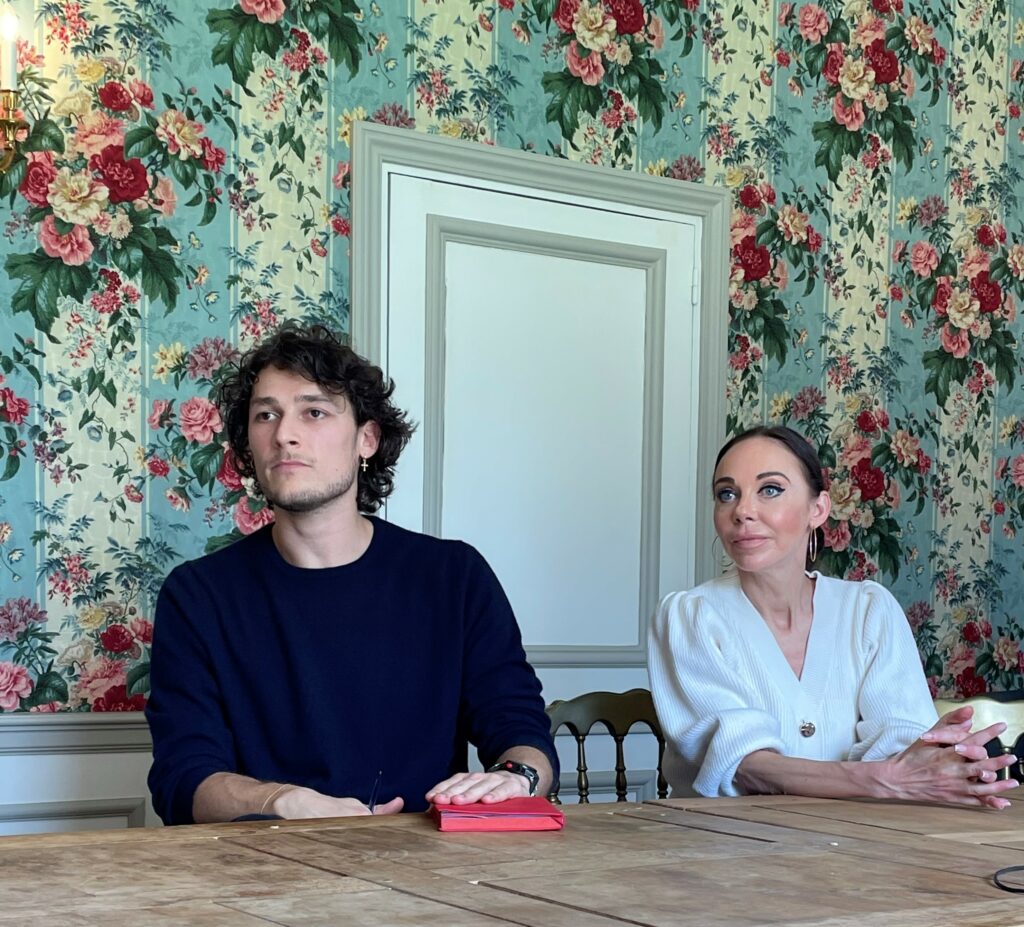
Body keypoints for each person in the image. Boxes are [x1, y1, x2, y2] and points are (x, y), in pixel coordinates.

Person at [146, 323, 557, 825]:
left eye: (313, 411)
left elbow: (522, 732)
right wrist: (280, 801)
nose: (284, 433)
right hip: (261, 873)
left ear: (367, 439)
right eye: (265, 415)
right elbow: (183, 778)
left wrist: (516, 776)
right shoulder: (198, 597)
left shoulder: (453, 577)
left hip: (427, 867)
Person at [648, 425, 1017, 808]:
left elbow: (903, 742)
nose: (742, 511)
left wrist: (927, 759)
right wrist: (881, 779)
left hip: (860, 842)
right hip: (725, 849)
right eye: (727, 494)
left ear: (818, 508)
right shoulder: (689, 618)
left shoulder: (869, 611)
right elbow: (744, 766)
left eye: (769, 489)